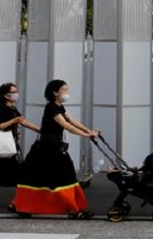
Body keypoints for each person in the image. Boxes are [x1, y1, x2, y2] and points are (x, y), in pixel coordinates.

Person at [13, 79, 100, 219]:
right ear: (55, 92)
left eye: (67, 89)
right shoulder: (51, 107)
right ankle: (73, 210)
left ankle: (22, 206)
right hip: (47, 149)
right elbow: (67, 126)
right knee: (60, 177)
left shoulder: (59, 107)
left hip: (52, 148)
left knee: (38, 177)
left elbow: (72, 121)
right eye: (64, 90)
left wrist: (89, 131)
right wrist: (87, 135)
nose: (67, 92)